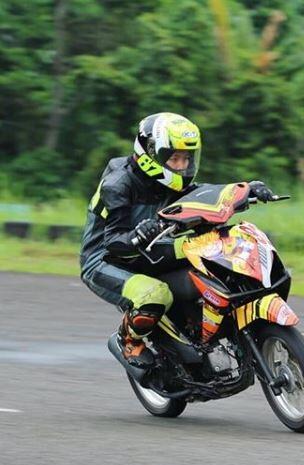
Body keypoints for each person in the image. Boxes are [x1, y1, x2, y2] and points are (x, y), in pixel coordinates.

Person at [80, 112, 274, 368]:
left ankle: (204, 329)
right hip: (107, 260)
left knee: (213, 257)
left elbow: (203, 194)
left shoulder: (169, 182)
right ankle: (127, 339)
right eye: (174, 158)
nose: (182, 165)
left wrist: (246, 189)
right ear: (151, 153)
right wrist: (138, 234)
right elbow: (114, 242)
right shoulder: (117, 185)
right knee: (154, 294)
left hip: (148, 252)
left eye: (186, 158)